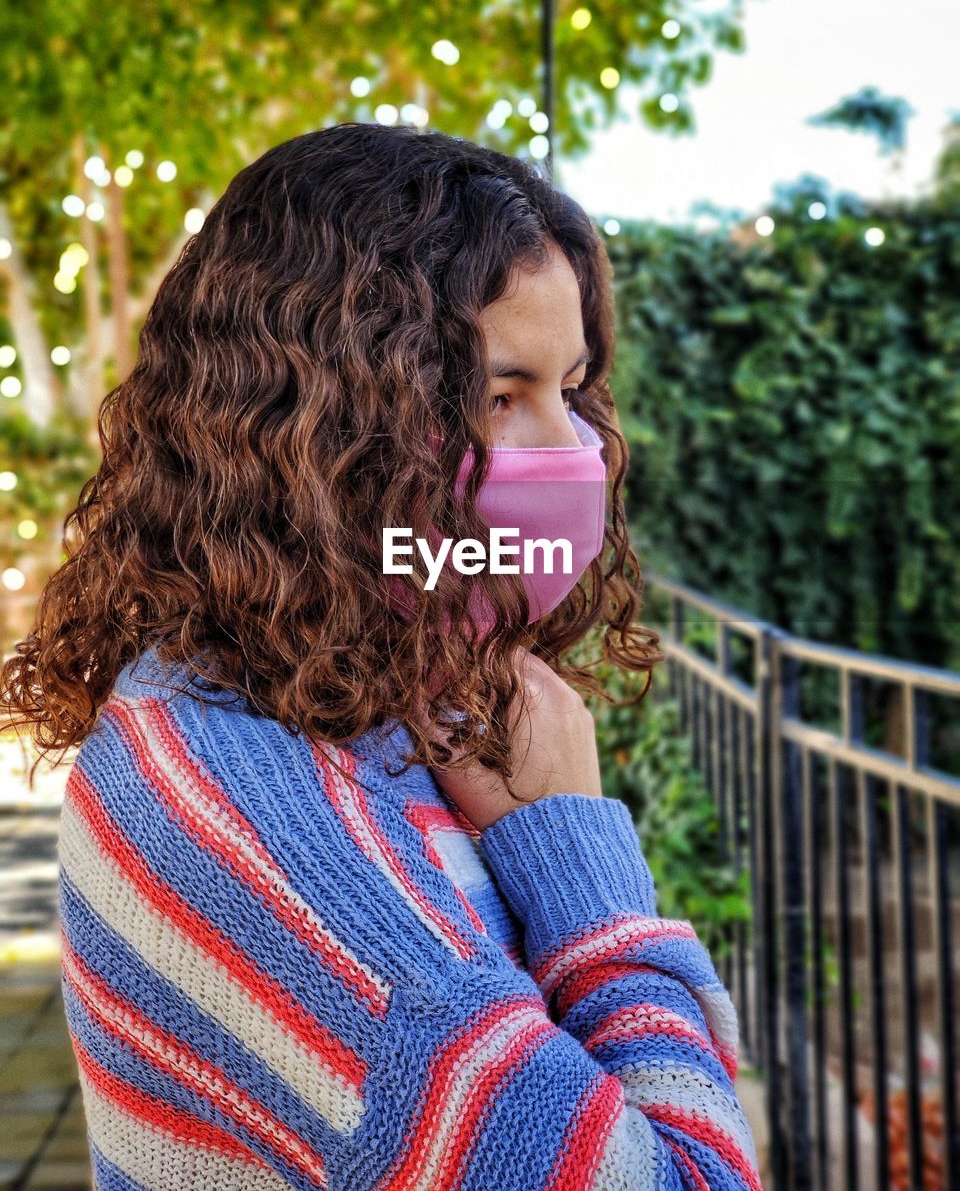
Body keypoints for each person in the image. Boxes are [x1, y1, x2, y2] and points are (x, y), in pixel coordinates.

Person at [0, 122, 762, 1190]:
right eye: (501, 397)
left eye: (572, 388)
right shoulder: (250, 823)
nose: (572, 451)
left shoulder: (355, 705)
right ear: (326, 430)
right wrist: (576, 851)